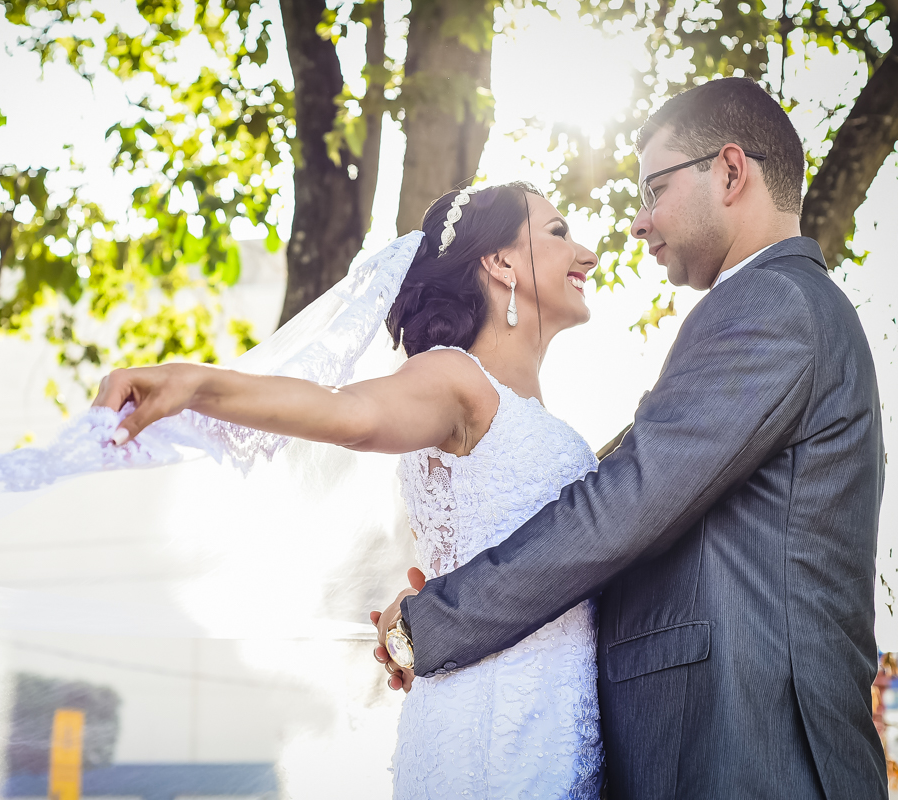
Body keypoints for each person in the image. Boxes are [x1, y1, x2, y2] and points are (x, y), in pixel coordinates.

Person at [372, 77, 887, 799]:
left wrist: (433, 624)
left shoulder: (774, 305)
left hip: (755, 759)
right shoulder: (778, 309)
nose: (639, 222)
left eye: (654, 190)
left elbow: (627, 505)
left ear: (730, 171)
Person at [93, 182, 606, 796]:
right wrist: (193, 383)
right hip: (491, 740)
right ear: (499, 263)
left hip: (551, 726)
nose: (587, 253)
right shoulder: (455, 378)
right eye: (557, 233)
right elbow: (348, 413)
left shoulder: (538, 418)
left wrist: (417, 619)